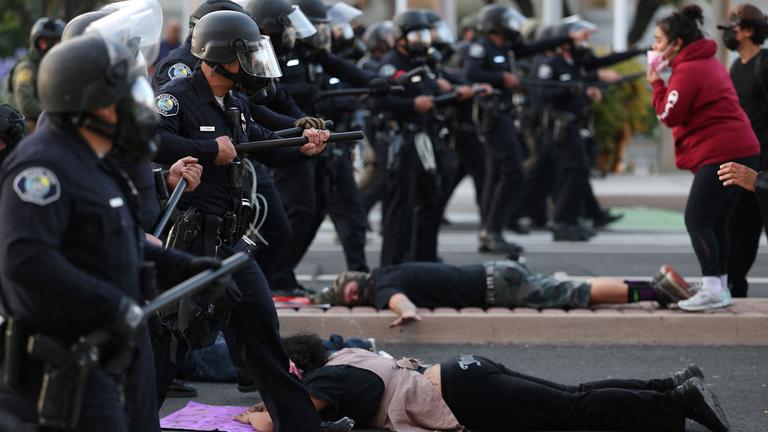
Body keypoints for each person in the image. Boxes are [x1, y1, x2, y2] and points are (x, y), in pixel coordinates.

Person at [0, 32, 219, 432]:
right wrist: (114, 304)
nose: (136, 110)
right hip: (61, 363)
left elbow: (117, 241)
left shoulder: (96, 161)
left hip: (108, 347)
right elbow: (27, 263)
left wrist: (185, 268)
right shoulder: (41, 169)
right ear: (85, 106)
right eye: (122, 99)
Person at [153, 10, 352, 432]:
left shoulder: (235, 101)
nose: (253, 66)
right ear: (221, 58)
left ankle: (302, 426)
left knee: (263, 338)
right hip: (188, 243)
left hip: (230, 244)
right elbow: (150, 140)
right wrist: (208, 149)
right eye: (246, 56)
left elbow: (261, 142)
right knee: (167, 344)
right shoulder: (176, 96)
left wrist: (303, 144)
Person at [235, 334, 730, 432]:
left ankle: (678, 402)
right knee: (572, 397)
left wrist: (255, 413)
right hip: (465, 372)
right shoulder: (345, 355)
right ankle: (669, 385)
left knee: (571, 411)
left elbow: (287, 420)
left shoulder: (326, 382)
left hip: (463, 392)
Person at [648, 5, 760, 311]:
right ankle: (719, 287)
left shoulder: (689, 69)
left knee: (697, 219)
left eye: (658, 40)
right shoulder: (704, 62)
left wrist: (656, 83)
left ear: (676, 44)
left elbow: (668, 115)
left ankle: (712, 289)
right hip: (740, 148)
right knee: (717, 222)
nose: (654, 47)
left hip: (722, 152)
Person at [464, 4, 590, 253]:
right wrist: (502, 78)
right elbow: (471, 72)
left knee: (496, 174)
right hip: (492, 116)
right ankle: (493, 229)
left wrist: (566, 38)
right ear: (495, 25)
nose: (513, 27)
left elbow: (534, 48)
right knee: (514, 171)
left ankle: (490, 230)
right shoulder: (482, 47)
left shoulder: (505, 48)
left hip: (504, 114)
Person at [314, 260, 692, 326]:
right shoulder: (385, 272)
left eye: (351, 293)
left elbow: (401, 302)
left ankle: (654, 291)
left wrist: (407, 312)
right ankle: (650, 287)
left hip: (500, 288)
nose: (354, 298)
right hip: (496, 271)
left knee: (578, 293)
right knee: (571, 288)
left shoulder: (382, 287)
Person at [716, 4, 768, 298]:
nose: (727, 33)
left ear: (747, 31)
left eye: (732, 27)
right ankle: (735, 290)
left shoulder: (765, 63)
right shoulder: (736, 66)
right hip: (746, 163)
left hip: (765, 170)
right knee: (739, 232)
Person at [8, 17, 65, 133]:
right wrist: (57, 113)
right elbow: (26, 104)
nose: (50, 47)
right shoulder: (26, 69)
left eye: (58, 42)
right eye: (43, 42)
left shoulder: (59, 66)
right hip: (33, 124)